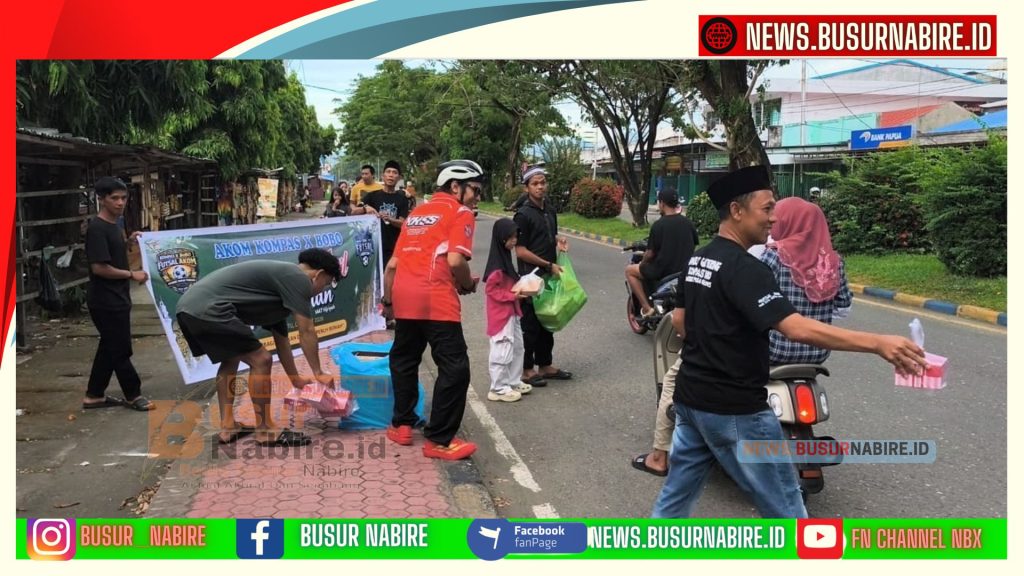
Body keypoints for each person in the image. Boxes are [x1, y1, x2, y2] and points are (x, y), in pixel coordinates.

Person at [651, 165, 928, 518]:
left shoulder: (699, 259)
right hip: (737, 410)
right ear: (737, 211)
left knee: (674, 502)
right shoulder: (747, 268)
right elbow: (794, 327)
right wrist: (877, 343)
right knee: (788, 512)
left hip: (691, 401)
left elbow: (680, 322)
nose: (774, 220)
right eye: (767, 209)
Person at [175, 249, 341, 446]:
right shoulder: (298, 278)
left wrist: (295, 379)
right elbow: (307, 331)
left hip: (189, 309)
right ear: (318, 274)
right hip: (208, 309)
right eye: (327, 283)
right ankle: (265, 430)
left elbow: (282, 341)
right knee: (261, 359)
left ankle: (229, 426)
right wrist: (318, 371)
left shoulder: (281, 287)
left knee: (232, 357)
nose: (323, 290)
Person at [382, 159, 483, 460]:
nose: (478, 197)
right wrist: (466, 284)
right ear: (455, 186)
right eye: (474, 190)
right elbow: (455, 261)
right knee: (455, 368)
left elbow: (392, 266)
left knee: (404, 359)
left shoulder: (416, 215)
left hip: (403, 296)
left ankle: (402, 424)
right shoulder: (460, 211)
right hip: (436, 298)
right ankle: (439, 440)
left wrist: (388, 303)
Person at [82, 176, 155, 412]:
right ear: (101, 199)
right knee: (121, 348)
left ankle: (94, 396)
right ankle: (134, 395)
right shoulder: (96, 229)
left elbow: (112, 254)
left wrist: (129, 241)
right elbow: (99, 268)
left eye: (123, 198)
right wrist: (131, 275)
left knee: (110, 347)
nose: (120, 202)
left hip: (118, 298)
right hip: (105, 300)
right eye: (114, 198)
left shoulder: (115, 226)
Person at [761, 197, 853, 365]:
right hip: (819, 352)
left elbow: (753, 304)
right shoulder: (833, 261)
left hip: (774, 352)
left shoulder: (773, 255)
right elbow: (843, 308)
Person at [513, 166, 572, 387]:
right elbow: (520, 250)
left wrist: (558, 241)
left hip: (549, 273)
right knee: (530, 324)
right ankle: (527, 369)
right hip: (530, 277)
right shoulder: (523, 214)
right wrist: (548, 265)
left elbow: (548, 234)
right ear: (527, 187)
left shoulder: (550, 210)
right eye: (535, 183)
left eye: (543, 182)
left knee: (548, 318)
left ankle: (545, 364)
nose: (540, 187)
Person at [625, 189, 699, 318]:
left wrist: (643, 262)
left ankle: (647, 308)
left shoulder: (659, 225)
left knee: (630, 271)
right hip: (684, 271)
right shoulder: (688, 223)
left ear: (662, 204)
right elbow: (693, 246)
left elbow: (650, 254)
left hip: (662, 271)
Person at [484, 218, 534, 403]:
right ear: (501, 238)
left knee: (518, 347)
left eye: (515, 237)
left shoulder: (505, 260)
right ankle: (498, 388)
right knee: (502, 348)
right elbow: (491, 290)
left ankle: (512, 381)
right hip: (501, 314)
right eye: (511, 238)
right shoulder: (497, 266)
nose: (514, 241)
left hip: (512, 312)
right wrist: (513, 296)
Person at [355, 160, 410, 269]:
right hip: (373, 246)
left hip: (394, 248)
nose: (391, 175)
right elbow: (352, 212)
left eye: (394, 173)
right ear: (383, 176)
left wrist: (390, 219)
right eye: (388, 172)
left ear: (398, 178)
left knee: (390, 279)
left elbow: (403, 223)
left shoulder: (402, 199)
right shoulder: (372, 196)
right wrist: (365, 208)